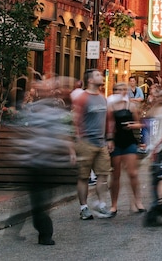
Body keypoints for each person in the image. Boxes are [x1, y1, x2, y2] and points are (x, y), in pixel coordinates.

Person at [8, 78, 75, 245]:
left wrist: (69, 150)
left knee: (39, 200)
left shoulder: (51, 111)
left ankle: (31, 230)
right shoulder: (33, 109)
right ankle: (43, 233)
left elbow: (61, 133)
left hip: (46, 161)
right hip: (35, 160)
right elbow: (23, 131)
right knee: (37, 200)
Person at [72, 68, 114, 220]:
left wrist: (109, 138)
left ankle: (102, 204)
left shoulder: (102, 98)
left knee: (103, 175)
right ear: (90, 80)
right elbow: (75, 120)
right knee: (83, 176)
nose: (101, 76)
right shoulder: (82, 98)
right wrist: (77, 141)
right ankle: (84, 208)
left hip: (101, 143)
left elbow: (108, 119)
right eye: (97, 75)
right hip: (86, 142)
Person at [107, 82, 145, 215]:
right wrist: (109, 139)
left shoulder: (131, 106)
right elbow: (108, 124)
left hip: (129, 141)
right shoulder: (110, 106)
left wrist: (133, 126)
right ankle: (114, 205)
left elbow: (139, 123)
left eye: (123, 89)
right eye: (117, 89)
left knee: (133, 173)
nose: (120, 92)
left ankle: (138, 201)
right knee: (115, 175)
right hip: (116, 141)